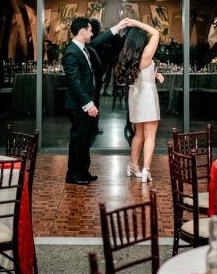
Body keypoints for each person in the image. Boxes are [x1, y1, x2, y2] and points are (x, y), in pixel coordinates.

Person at [63, 16, 130, 185]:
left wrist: (117, 27)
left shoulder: (84, 47)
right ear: (82, 31)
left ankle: (83, 171)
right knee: (78, 139)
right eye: (90, 30)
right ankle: (73, 174)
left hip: (86, 104)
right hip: (79, 105)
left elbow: (100, 39)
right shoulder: (71, 52)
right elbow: (75, 83)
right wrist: (88, 104)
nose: (92, 33)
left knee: (85, 139)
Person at [114, 18, 163, 183]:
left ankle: (132, 165)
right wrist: (137, 23)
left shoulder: (128, 56)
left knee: (138, 134)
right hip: (147, 95)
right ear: (142, 40)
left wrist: (154, 74)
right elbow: (156, 32)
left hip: (135, 96)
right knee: (150, 135)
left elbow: (139, 73)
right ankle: (146, 170)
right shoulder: (147, 54)